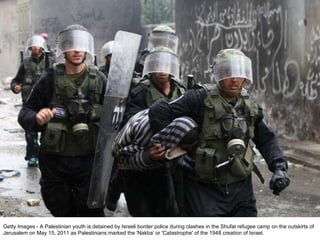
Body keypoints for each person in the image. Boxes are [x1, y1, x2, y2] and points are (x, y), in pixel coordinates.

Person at [148, 48, 290, 217]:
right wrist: (175, 150)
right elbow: (159, 111)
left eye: (239, 74)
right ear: (219, 74)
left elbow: (266, 139)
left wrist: (279, 167)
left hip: (241, 189)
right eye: (229, 73)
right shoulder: (198, 99)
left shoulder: (249, 105)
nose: (235, 79)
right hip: (203, 189)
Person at [18, 24, 107, 217]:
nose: (76, 50)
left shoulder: (99, 79)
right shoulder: (49, 79)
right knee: (61, 210)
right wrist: (37, 117)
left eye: (81, 46)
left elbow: (116, 116)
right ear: (63, 49)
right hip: (55, 161)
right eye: (71, 45)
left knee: (90, 213)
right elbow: (25, 113)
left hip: (88, 160)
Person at [112, 109, 198, 216]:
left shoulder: (174, 131)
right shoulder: (143, 130)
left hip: (159, 168)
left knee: (168, 211)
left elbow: (176, 156)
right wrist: (147, 156)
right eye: (181, 147)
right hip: (132, 173)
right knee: (143, 214)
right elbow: (121, 158)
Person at [11, 35, 54, 167]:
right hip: (30, 103)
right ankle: (32, 156)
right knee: (30, 132)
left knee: (49, 132)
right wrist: (15, 87)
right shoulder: (26, 63)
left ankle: (47, 155)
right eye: (33, 46)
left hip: (46, 104)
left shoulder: (49, 62)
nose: (35, 48)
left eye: (37, 45)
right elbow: (16, 80)